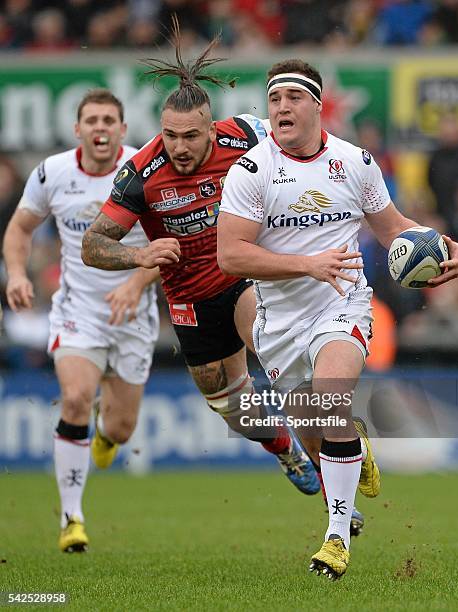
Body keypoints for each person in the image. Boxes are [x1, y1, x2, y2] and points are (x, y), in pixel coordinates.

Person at [217, 59, 458, 579]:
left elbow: (394, 228)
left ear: (317, 105)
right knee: (319, 428)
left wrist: (447, 245)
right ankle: (352, 445)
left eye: (293, 98)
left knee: (331, 396)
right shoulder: (251, 169)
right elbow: (230, 256)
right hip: (278, 320)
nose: (281, 107)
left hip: (342, 302)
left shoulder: (356, 162)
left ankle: (336, 539)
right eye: (274, 99)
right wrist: (305, 264)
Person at [81, 25, 322, 499]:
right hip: (188, 298)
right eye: (170, 135)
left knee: (275, 352)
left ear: (212, 128)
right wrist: (139, 254)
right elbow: (93, 245)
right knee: (230, 406)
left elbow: (305, 155)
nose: (180, 147)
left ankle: (339, 455)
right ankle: (285, 449)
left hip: (242, 276)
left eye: (191, 136)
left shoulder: (247, 137)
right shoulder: (141, 175)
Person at [3, 88, 165, 553]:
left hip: (132, 314)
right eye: (91, 120)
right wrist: (16, 273)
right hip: (77, 312)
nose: (100, 128)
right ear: (78, 129)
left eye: (108, 120)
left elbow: (172, 245)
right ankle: (72, 518)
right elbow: (19, 228)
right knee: (73, 398)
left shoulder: (144, 171)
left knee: (120, 429)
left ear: (121, 129)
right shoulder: (51, 172)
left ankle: (105, 430)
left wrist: (135, 285)